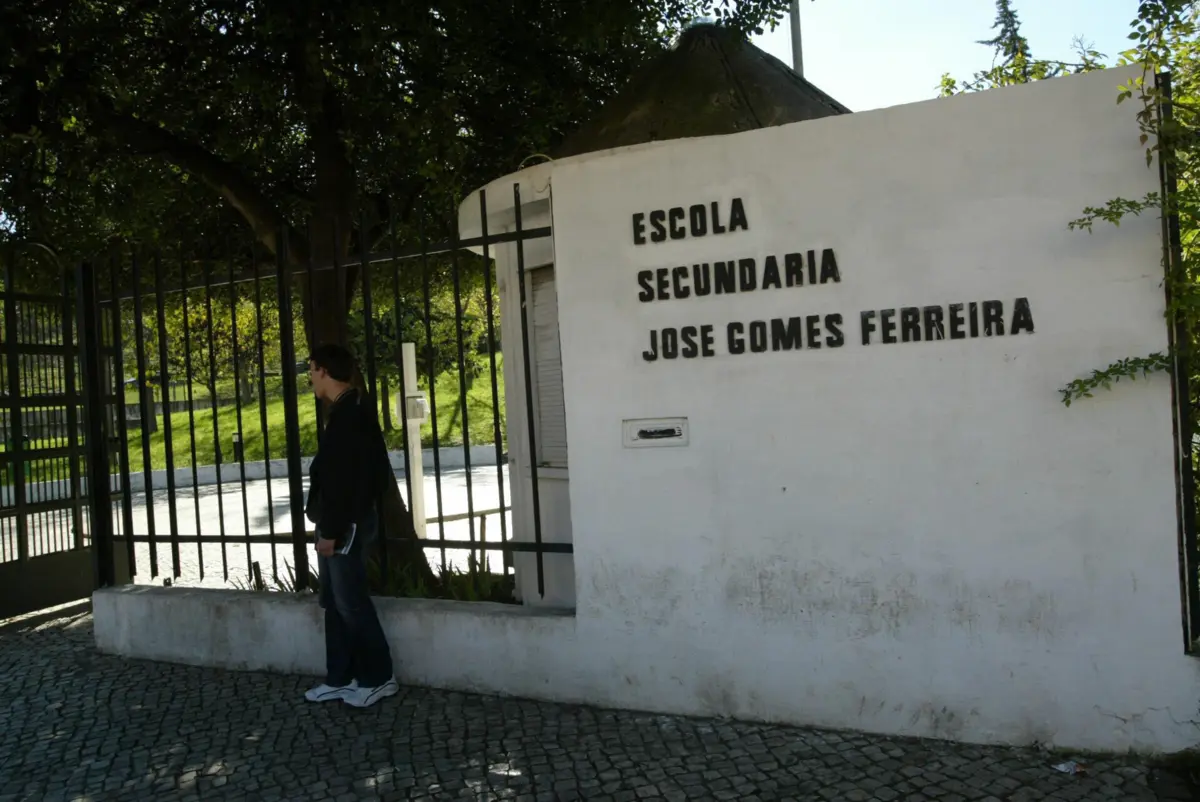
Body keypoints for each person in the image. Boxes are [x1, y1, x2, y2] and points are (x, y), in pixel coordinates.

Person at [302, 343, 398, 708]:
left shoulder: (350, 416)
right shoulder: (347, 411)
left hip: (345, 526)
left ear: (325, 371)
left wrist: (331, 532)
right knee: (335, 603)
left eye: (311, 370)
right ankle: (341, 677)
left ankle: (378, 677)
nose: (310, 377)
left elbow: (347, 482)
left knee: (351, 603)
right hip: (340, 522)